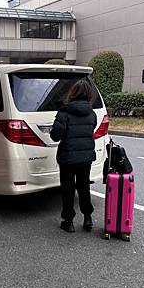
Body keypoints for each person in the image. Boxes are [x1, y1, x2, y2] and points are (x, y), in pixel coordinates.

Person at [50, 79, 98, 233]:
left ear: (73, 93)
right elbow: (91, 130)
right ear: (88, 95)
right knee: (84, 187)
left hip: (68, 157)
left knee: (68, 189)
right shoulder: (92, 113)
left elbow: (56, 136)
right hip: (86, 157)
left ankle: (69, 221)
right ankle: (88, 218)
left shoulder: (64, 112)